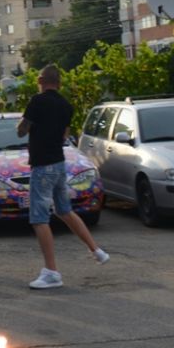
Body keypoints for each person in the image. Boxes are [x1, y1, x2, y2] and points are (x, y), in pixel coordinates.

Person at [17, 64, 110, 290]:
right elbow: (64, 135)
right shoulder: (66, 105)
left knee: (39, 219)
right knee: (64, 210)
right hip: (59, 163)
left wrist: (27, 124)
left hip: (42, 165)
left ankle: (52, 272)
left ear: (40, 81)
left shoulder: (37, 101)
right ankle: (96, 250)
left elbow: (21, 130)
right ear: (59, 83)